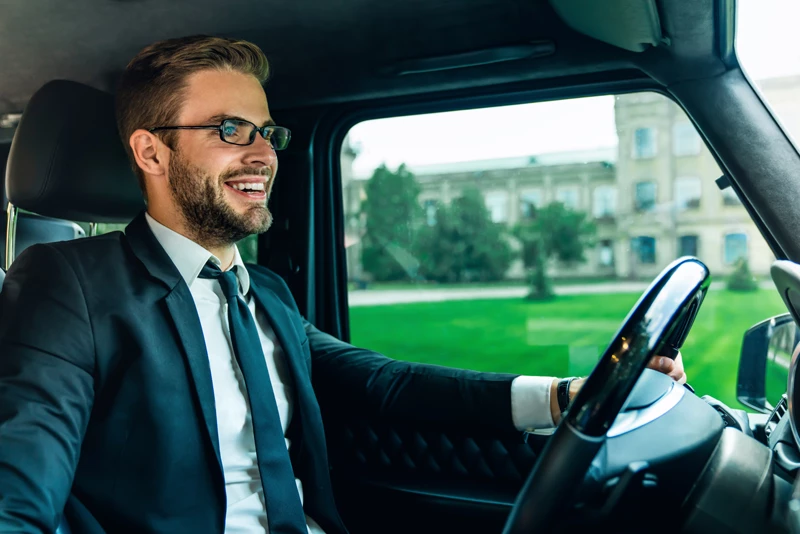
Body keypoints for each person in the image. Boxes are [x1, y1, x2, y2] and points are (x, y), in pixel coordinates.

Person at [0, 35, 685, 534]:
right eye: (231, 130)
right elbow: (19, 494)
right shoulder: (68, 287)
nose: (263, 153)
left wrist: (567, 397)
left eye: (267, 132)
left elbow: (386, 384)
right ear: (151, 151)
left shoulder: (264, 291)